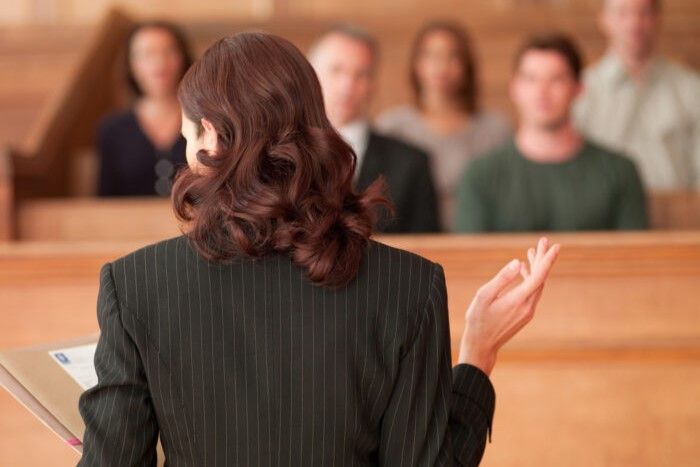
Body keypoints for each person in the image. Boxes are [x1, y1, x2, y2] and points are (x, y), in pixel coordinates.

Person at [77, 32, 560, 466]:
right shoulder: (411, 286)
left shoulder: (135, 284)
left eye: (187, 136)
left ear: (211, 136)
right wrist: (477, 358)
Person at [455, 33, 648, 233]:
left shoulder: (619, 172)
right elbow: (469, 260)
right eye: (531, 79)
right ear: (514, 88)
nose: (542, 91)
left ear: (578, 88)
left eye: (556, 79)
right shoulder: (479, 175)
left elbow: (637, 257)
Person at [376, 21, 511, 230]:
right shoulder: (392, 127)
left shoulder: (493, 129)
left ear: (467, 66)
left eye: (453, 56)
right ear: (416, 63)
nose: (441, 65)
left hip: (478, 238)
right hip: (411, 242)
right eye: (430, 55)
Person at [308, 25, 441, 233]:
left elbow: (429, 249)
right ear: (311, 74)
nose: (348, 85)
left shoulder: (411, 163)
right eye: (336, 70)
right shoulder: (283, 156)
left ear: (374, 84)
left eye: (361, 74)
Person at [574, 0, 700, 190]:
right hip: (602, 215)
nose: (634, 23)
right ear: (604, 19)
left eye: (644, 13)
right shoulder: (580, 90)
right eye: (622, 13)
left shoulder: (690, 88)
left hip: (678, 211)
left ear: (657, 17)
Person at [97, 21, 193, 197]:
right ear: (131, 64)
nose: (160, 62)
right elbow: (104, 199)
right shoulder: (112, 129)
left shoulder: (201, 120)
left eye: (169, 51)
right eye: (148, 54)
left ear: (183, 57)